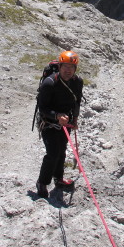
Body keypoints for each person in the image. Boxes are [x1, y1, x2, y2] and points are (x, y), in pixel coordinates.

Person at [36, 50, 84, 199]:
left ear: (75, 69)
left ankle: (58, 179)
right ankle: (42, 182)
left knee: (62, 150)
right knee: (52, 153)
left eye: (71, 67)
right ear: (60, 66)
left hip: (66, 121)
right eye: (65, 66)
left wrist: (74, 119)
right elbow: (42, 108)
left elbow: (76, 102)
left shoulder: (77, 82)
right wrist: (56, 116)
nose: (68, 70)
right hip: (48, 122)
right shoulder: (50, 83)